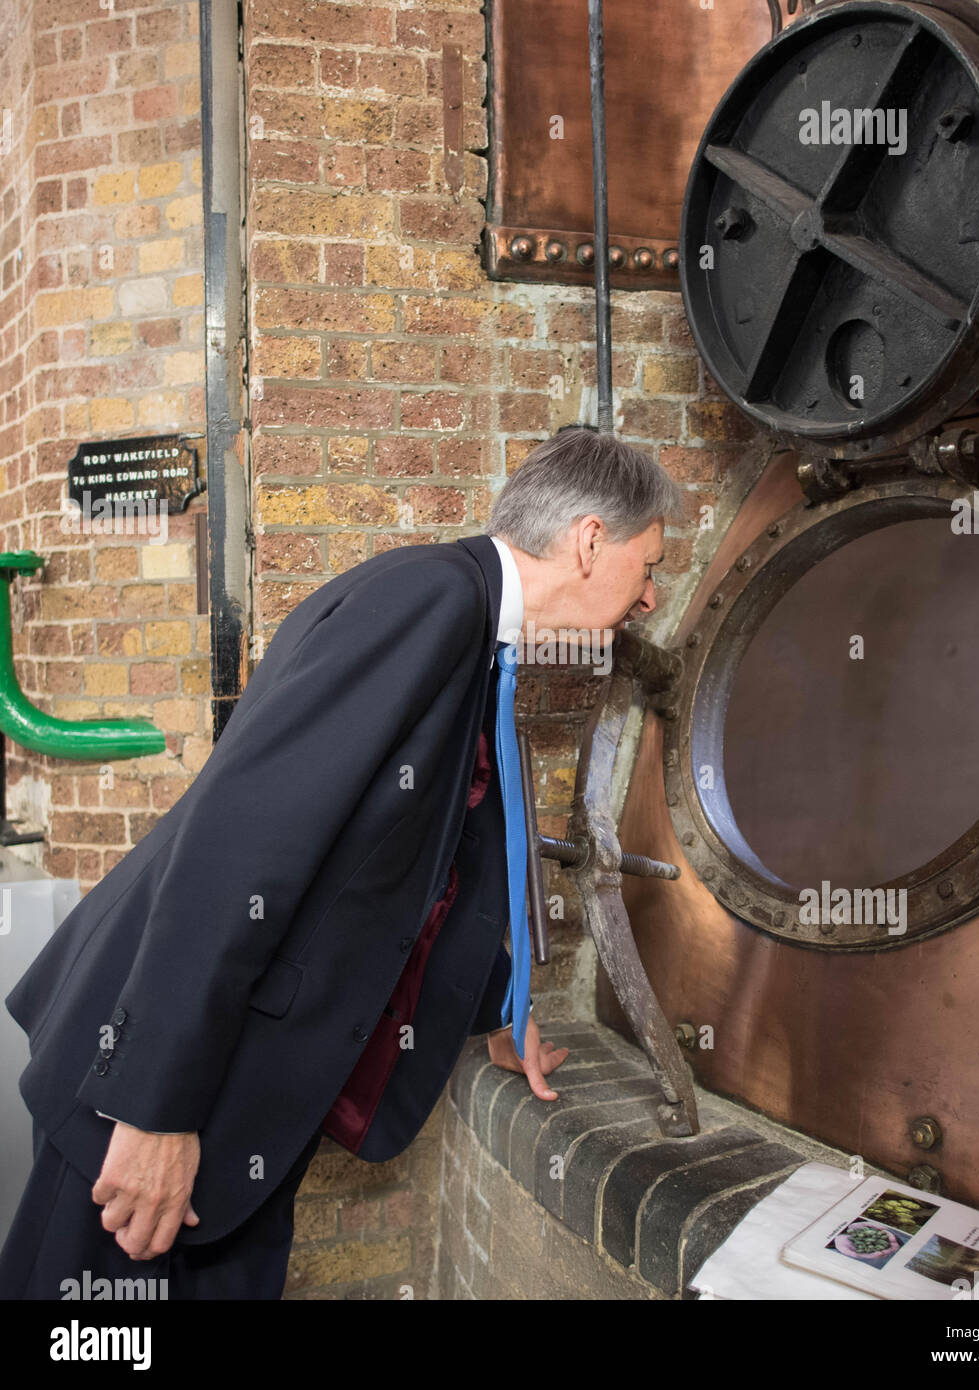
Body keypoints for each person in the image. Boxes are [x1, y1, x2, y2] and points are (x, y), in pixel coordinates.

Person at [0, 424, 682, 1299]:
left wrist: (500, 1011)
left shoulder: (473, 626)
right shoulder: (430, 603)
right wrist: (154, 1107)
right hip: (160, 1087)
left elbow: (432, 862)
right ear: (591, 540)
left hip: (240, 1100)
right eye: (650, 564)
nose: (653, 596)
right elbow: (238, 841)